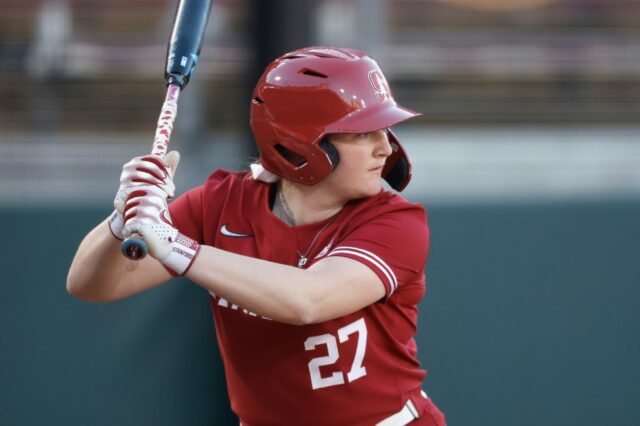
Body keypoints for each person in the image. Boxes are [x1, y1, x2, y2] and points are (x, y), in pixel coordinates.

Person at [67, 46, 446, 426]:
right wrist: (121, 220)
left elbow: (307, 300)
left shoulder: (397, 222)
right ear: (303, 141)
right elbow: (90, 284)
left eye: (384, 130)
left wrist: (177, 247)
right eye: (363, 134)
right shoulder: (221, 203)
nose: (385, 147)